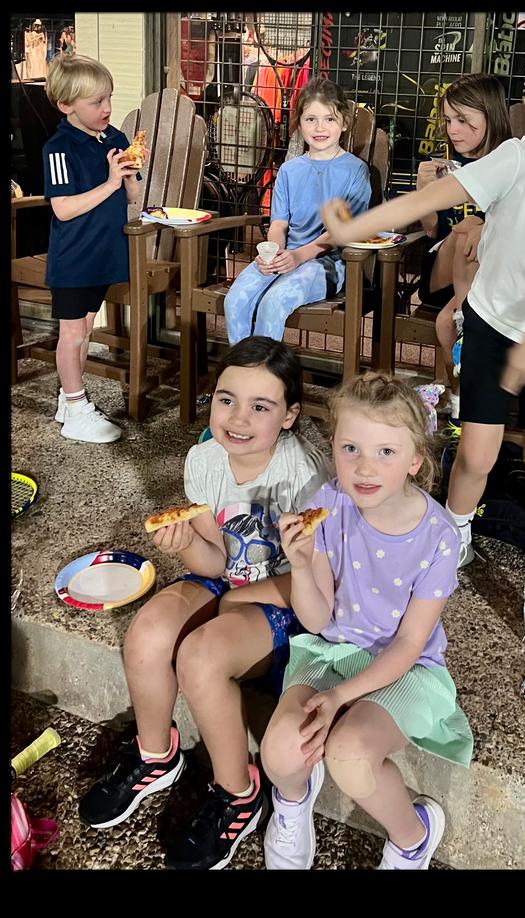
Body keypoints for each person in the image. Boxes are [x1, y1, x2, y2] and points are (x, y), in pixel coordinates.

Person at [322, 48, 525, 624]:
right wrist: (355, 225)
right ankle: (453, 538)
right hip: (491, 322)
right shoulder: (515, 157)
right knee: (477, 454)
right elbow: (433, 198)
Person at [78, 336, 333, 870]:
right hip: (230, 582)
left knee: (200, 656)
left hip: (286, 598)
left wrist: (235, 599)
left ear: (289, 416)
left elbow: (317, 581)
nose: (238, 419)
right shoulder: (203, 459)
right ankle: (155, 755)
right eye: (226, 399)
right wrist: (185, 546)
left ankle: (237, 794)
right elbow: (215, 561)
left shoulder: (307, 476)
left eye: (260, 407)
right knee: (148, 632)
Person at [258, 372, 473, 870]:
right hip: (330, 652)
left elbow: (409, 643)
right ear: (332, 445)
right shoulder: (326, 504)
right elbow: (317, 619)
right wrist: (302, 564)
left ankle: (413, 837)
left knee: (351, 756)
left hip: (405, 668)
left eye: (386, 452)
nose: (364, 467)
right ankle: (293, 802)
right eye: (350, 448)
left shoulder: (439, 537)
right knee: (280, 752)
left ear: (416, 460)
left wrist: (339, 698)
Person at [223, 77, 372, 346]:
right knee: (235, 300)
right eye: (310, 119)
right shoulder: (289, 171)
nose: (319, 128)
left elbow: (339, 233)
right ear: (299, 124)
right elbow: (279, 224)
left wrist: (298, 256)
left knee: (273, 302)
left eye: (329, 119)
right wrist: (272, 255)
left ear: (344, 123)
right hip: (286, 255)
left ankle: (265, 372)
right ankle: (243, 369)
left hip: (329, 263)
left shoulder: (356, 171)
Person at [43, 53, 143, 443]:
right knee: (71, 333)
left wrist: (129, 174)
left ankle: (69, 403)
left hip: (105, 251)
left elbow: (131, 196)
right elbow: (63, 209)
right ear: (66, 105)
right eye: (96, 101)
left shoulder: (115, 138)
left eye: (109, 98)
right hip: (75, 256)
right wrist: (110, 182)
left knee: (85, 328)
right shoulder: (59, 148)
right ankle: (76, 407)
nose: (107, 108)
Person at [416, 74, 511, 419]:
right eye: (448, 121)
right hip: (445, 269)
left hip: (491, 275)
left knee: (446, 324)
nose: (453, 130)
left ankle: (459, 407)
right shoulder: (447, 165)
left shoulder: (511, 164)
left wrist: (488, 227)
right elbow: (432, 229)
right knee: (464, 230)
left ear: (490, 116)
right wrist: (424, 192)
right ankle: (466, 314)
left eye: (463, 120)